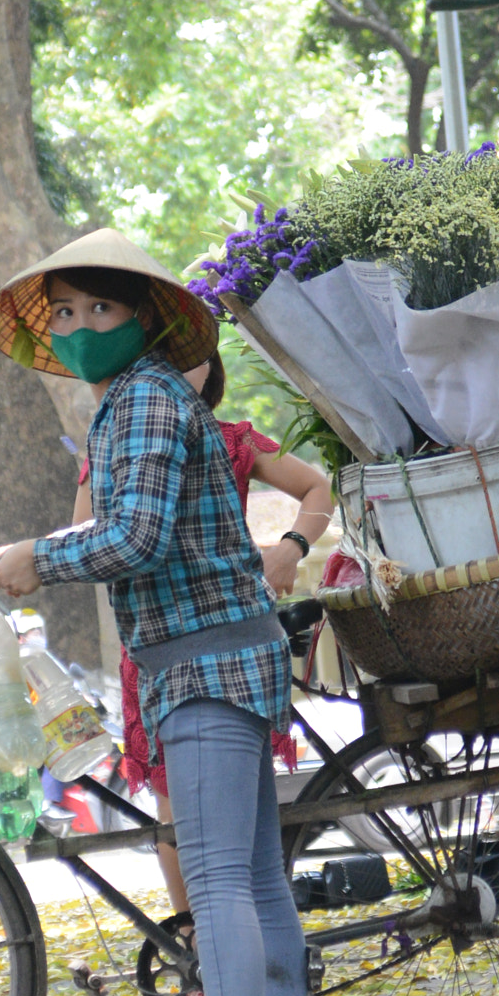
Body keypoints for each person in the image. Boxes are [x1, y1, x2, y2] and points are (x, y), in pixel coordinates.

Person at [0, 227, 324, 996]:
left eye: (101, 309)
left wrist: (34, 560)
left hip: (203, 663)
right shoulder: (157, 399)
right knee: (256, 880)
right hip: (231, 654)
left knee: (217, 883)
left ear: (141, 321)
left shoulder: (136, 405)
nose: (80, 325)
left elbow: (129, 539)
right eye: (64, 312)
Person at [72, 349, 331, 913]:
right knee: (175, 807)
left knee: (236, 825)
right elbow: (85, 534)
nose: (169, 372)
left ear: (210, 370)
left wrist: (291, 549)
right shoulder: (116, 444)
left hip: (232, 640)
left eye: (187, 359)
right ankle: (191, 929)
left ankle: (225, 940)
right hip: (157, 647)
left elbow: (317, 489)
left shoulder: (234, 439)